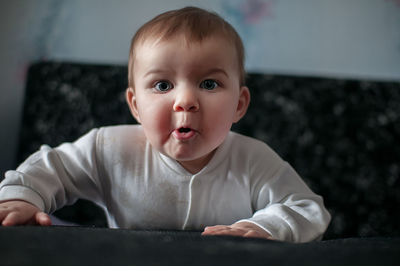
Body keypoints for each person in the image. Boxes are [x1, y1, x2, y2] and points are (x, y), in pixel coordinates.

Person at [0, 7, 330, 242]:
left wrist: (267, 227)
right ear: (135, 106)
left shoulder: (253, 160)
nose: (185, 101)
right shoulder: (109, 148)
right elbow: (50, 169)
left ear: (239, 105)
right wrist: (22, 198)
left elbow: (306, 208)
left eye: (209, 84)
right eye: (162, 85)